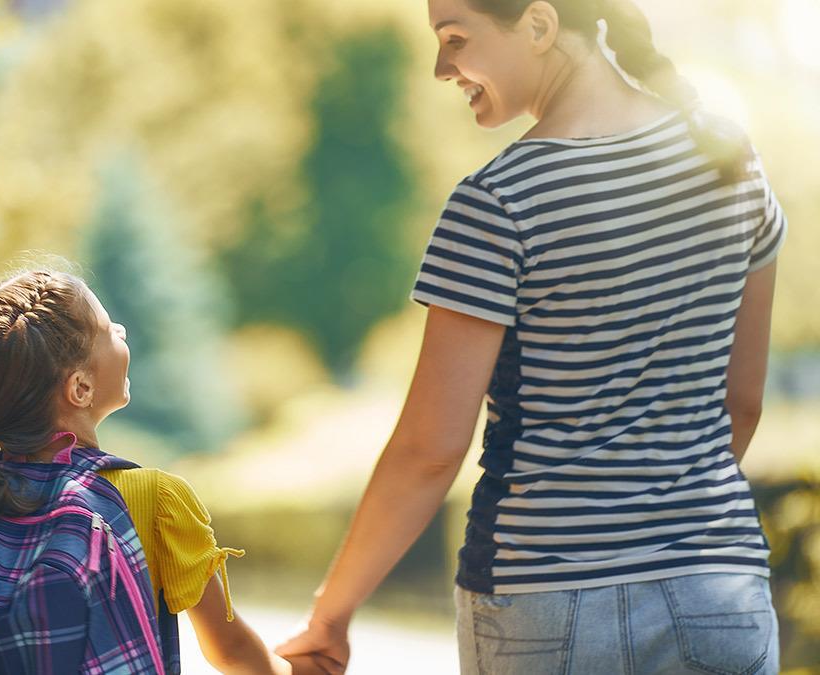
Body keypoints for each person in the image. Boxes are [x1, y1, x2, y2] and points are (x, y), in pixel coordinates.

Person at [276, 1, 786, 673]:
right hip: (719, 590)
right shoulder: (730, 161)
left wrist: (329, 616)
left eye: (455, 39)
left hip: (546, 601)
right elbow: (742, 402)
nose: (441, 68)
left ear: (540, 26)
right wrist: (667, 520)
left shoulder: (499, 201)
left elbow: (429, 450)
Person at [0, 269, 320, 674]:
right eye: (107, 330)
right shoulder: (153, 499)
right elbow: (230, 650)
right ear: (80, 388)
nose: (122, 330)